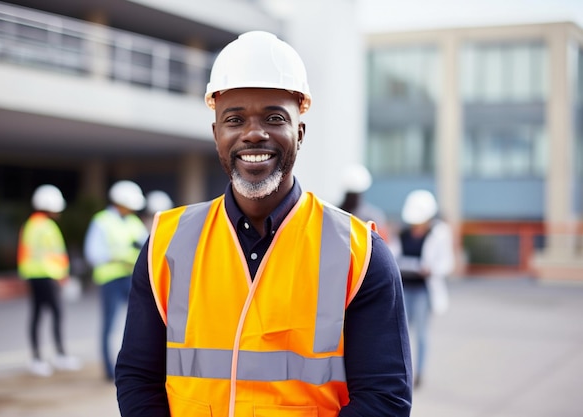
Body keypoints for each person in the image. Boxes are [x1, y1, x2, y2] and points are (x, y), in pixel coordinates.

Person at [115, 31, 412, 416]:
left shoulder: (360, 253)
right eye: (234, 119)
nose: (253, 133)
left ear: (299, 133)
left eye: (274, 117)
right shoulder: (166, 244)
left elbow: (384, 398)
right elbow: (138, 377)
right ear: (217, 135)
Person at [388, 189, 455, 388]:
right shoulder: (402, 233)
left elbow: (447, 263)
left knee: (422, 334)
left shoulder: (440, 233)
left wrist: (431, 269)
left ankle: (420, 373)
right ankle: (401, 372)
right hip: (403, 288)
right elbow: (392, 256)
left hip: (424, 290)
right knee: (400, 333)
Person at [84, 180, 149, 381]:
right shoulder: (102, 221)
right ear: (120, 202)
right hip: (110, 279)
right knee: (109, 326)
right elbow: (92, 253)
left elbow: (148, 246)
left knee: (141, 323)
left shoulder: (133, 222)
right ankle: (108, 370)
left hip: (131, 278)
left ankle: (139, 367)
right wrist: (120, 255)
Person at [17, 184, 82, 377]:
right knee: (56, 314)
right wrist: (62, 276)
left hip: (34, 276)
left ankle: (37, 357)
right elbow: (54, 255)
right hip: (48, 276)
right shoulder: (47, 226)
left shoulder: (30, 224)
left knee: (37, 315)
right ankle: (59, 355)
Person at [339, 163, 389, 241]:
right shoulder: (336, 213)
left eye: (355, 195)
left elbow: (382, 242)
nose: (352, 199)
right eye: (350, 195)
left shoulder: (372, 217)